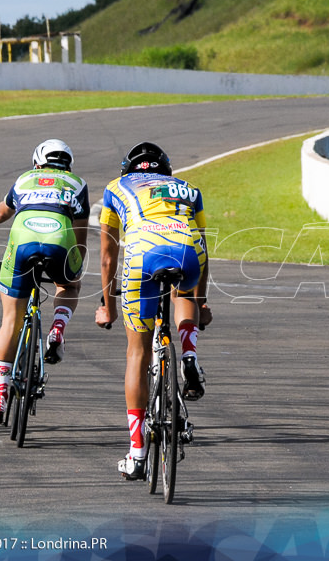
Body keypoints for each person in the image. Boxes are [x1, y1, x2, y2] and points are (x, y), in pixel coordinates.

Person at [94, 141, 212, 480]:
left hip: (142, 255)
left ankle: (137, 453)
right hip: (188, 251)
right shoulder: (189, 189)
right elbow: (203, 244)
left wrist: (108, 306)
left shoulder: (115, 188)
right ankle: (189, 353)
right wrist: (201, 304)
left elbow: (106, 256)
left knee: (138, 353)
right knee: (183, 290)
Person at [0, 138, 89, 423]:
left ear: (37, 162)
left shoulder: (24, 179)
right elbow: (80, 239)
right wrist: (73, 274)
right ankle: (57, 327)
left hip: (23, 243)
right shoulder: (77, 183)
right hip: (60, 241)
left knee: (10, 321)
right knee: (68, 285)